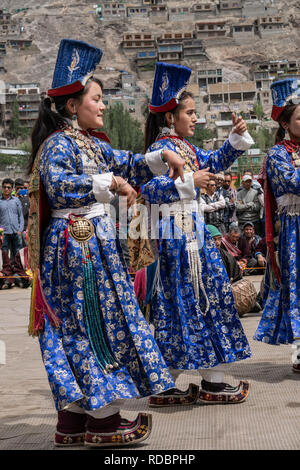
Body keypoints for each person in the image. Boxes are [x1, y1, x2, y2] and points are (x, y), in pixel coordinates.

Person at [27, 39, 187, 448]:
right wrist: (107, 183)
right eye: (96, 99)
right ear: (71, 106)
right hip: (75, 246)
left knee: (87, 326)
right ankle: (102, 420)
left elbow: (127, 161)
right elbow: (59, 187)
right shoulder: (57, 146)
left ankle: (74, 421)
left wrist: (159, 158)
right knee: (91, 325)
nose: (102, 107)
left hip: (92, 244)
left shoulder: (92, 144)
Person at [141, 61, 253, 407]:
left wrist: (235, 138)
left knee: (207, 301)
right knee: (183, 304)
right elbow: (152, 189)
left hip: (194, 235)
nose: (195, 118)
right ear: (169, 117)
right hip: (177, 239)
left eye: (195, 112)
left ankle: (208, 379)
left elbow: (215, 161)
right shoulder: (158, 153)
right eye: (189, 112)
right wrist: (192, 181)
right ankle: (177, 381)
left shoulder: (186, 149)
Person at [253, 78, 300, 373]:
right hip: (294, 234)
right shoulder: (277, 156)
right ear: (285, 123)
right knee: (296, 288)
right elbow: (293, 183)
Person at [0, 178, 24, 261]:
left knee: (17, 253)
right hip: (4, 233)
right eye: (5, 187)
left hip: (16, 231)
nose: (6, 189)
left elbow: (20, 216)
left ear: (12, 189)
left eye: (9, 187)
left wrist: (20, 229)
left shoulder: (16, 201)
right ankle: (7, 271)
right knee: (5, 253)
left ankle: (17, 270)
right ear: (2, 188)